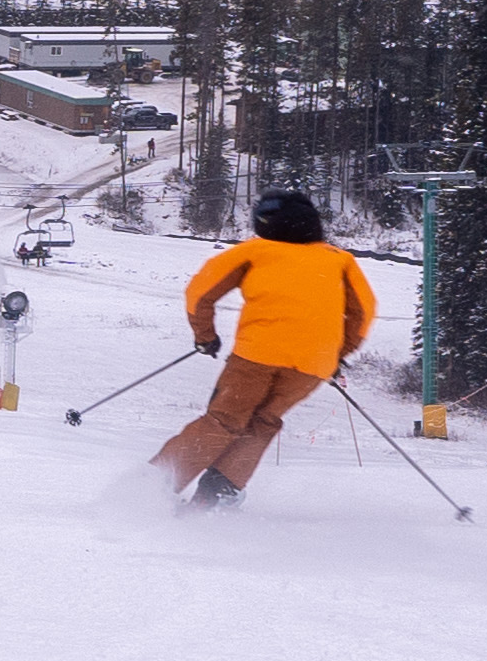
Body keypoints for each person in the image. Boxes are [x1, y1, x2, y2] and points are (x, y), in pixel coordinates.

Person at [155, 189, 375, 507]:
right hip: (313, 365)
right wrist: (337, 353)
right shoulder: (340, 259)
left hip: (257, 356)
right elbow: (364, 312)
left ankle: (158, 485)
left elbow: (200, 293)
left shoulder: (255, 251)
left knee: (224, 420)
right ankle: (217, 496)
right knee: (262, 422)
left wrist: (205, 336)